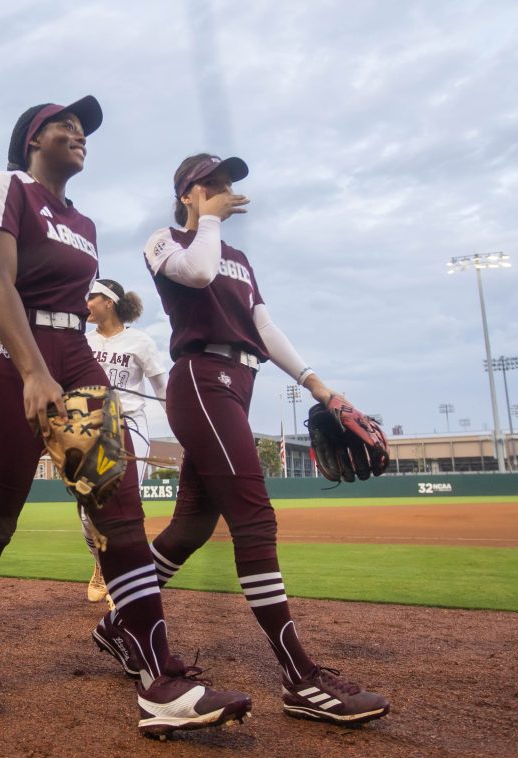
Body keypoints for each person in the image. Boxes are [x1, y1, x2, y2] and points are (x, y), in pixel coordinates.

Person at [0, 96, 251, 738]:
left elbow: (68, 304)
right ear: (29, 140)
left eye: (82, 128)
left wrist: (59, 366)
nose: (78, 133)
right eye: (63, 124)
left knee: (120, 511)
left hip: (72, 351)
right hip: (2, 351)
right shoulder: (5, 185)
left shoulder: (85, 222)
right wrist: (32, 371)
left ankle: (159, 679)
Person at [138, 153, 390, 725]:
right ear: (187, 193)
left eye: (229, 183)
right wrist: (209, 219)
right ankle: (300, 678)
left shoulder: (240, 259)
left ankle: (118, 623)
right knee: (254, 520)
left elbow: (265, 329)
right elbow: (198, 274)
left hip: (239, 383)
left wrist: (325, 391)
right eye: (214, 183)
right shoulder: (166, 241)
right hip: (201, 380)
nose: (227, 189)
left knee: (192, 526)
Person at [81, 278, 166, 604]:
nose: (86, 302)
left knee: (124, 503)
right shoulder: (82, 342)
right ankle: (101, 565)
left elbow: (162, 390)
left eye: (93, 297)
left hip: (132, 425)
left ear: (110, 302)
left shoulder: (140, 341)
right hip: (92, 428)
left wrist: (184, 429)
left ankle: (122, 584)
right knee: (89, 516)